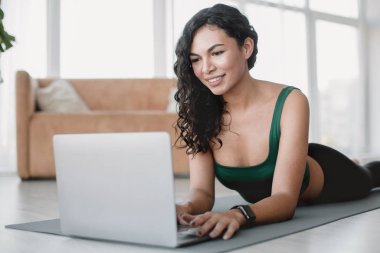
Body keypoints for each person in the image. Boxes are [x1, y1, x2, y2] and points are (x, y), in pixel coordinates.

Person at [173, 3, 380, 241]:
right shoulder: (198, 113)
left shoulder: (291, 100)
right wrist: (185, 207)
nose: (206, 68)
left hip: (330, 176)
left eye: (217, 53)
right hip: (290, 166)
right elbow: (202, 194)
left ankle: (357, 164)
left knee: (371, 175)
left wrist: (238, 214)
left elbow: (284, 199)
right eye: (196, 59)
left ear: (246, 47)